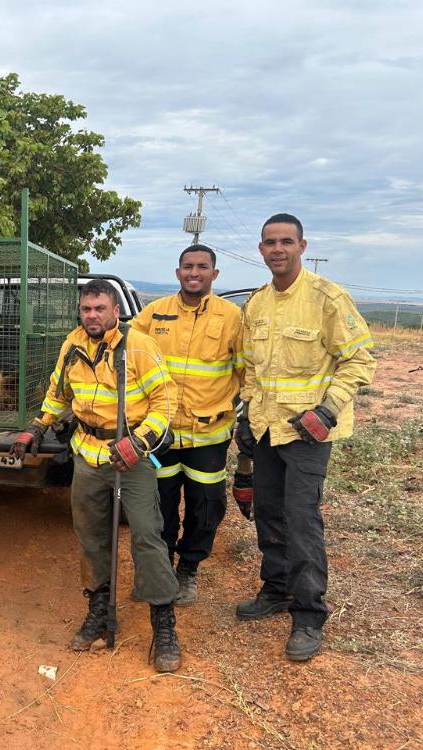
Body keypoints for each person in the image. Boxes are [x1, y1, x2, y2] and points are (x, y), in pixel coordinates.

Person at [11, 279, 183, 672]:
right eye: (86, 309)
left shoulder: (137, 346)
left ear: (115, 312)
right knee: (90, 536)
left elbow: (165, 401)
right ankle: (100, 611)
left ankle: (163, 622)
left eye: (99, 309)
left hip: (132, 456)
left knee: (145, 535)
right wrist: (37, 426)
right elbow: (58, 394)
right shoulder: (71, 345)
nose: (92, 316)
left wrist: (139, 442)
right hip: (88, 455)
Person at [235, 213, 375, 661]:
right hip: (266, 429)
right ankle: (275, 589)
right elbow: (250, 369)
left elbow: (358, 361)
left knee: (301, 519)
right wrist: (247, 414)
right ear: (261, 249)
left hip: (308, 433)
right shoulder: (256, 304)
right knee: (268, 512)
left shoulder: (326, 298)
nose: (278, 249)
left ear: (302, 246)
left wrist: (328, 411)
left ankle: (309, 614)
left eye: (286, 242)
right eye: (270, 242)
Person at [130, 244, 243, 606]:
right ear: (177, 272)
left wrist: (237, 411)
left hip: (209, 438)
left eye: (202, 267)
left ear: (214, 274)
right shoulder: (154, 313)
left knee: (204, 506)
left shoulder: (232, 317)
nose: (194, 273)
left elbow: (246, 371)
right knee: (159, 506)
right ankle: (160, 570)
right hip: (160, 437)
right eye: (187, 267)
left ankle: (188, 570)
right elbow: (126, 353)